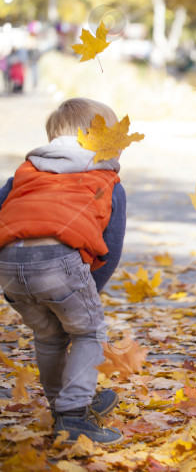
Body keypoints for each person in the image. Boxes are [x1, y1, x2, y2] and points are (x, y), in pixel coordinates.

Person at [0, 98, 127, 444]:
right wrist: (88, 290)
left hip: (9, 264)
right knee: (89, 332)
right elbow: (110, 248)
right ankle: (73, 414)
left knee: (50, 336)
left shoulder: (24, 174)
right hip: (60, 263)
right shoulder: (107, 179)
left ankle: (65, 404)